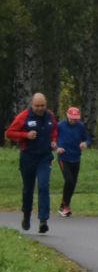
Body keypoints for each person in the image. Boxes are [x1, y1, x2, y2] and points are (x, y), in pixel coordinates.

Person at [7, 92, 57, 234]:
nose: (40, 108)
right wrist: (25, 135)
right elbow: (9, 133)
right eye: (37, 106)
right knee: (28, 189)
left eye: (42, 105)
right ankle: (27, 214)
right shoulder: (23, 116)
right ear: (32, 105)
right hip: (28, 157)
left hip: (45, 157)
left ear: (46, 104)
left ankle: (43, 220)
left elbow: (54, 130)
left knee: (43, 186)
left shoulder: (50, 116)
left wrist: (53, 140)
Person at [55, 104, 94, 217]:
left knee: (73, 183)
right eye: (72, 118)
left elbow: (88, 139)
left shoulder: (80, 126)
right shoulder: (60, 126)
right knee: (69, 180)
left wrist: (85, 143)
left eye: (76, 119)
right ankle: (66, 206)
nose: (73, 121)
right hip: (64, 157)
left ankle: (64, 205)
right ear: (67, 116)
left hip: (76, 157)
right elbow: (52, 139)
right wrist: (57, 148)